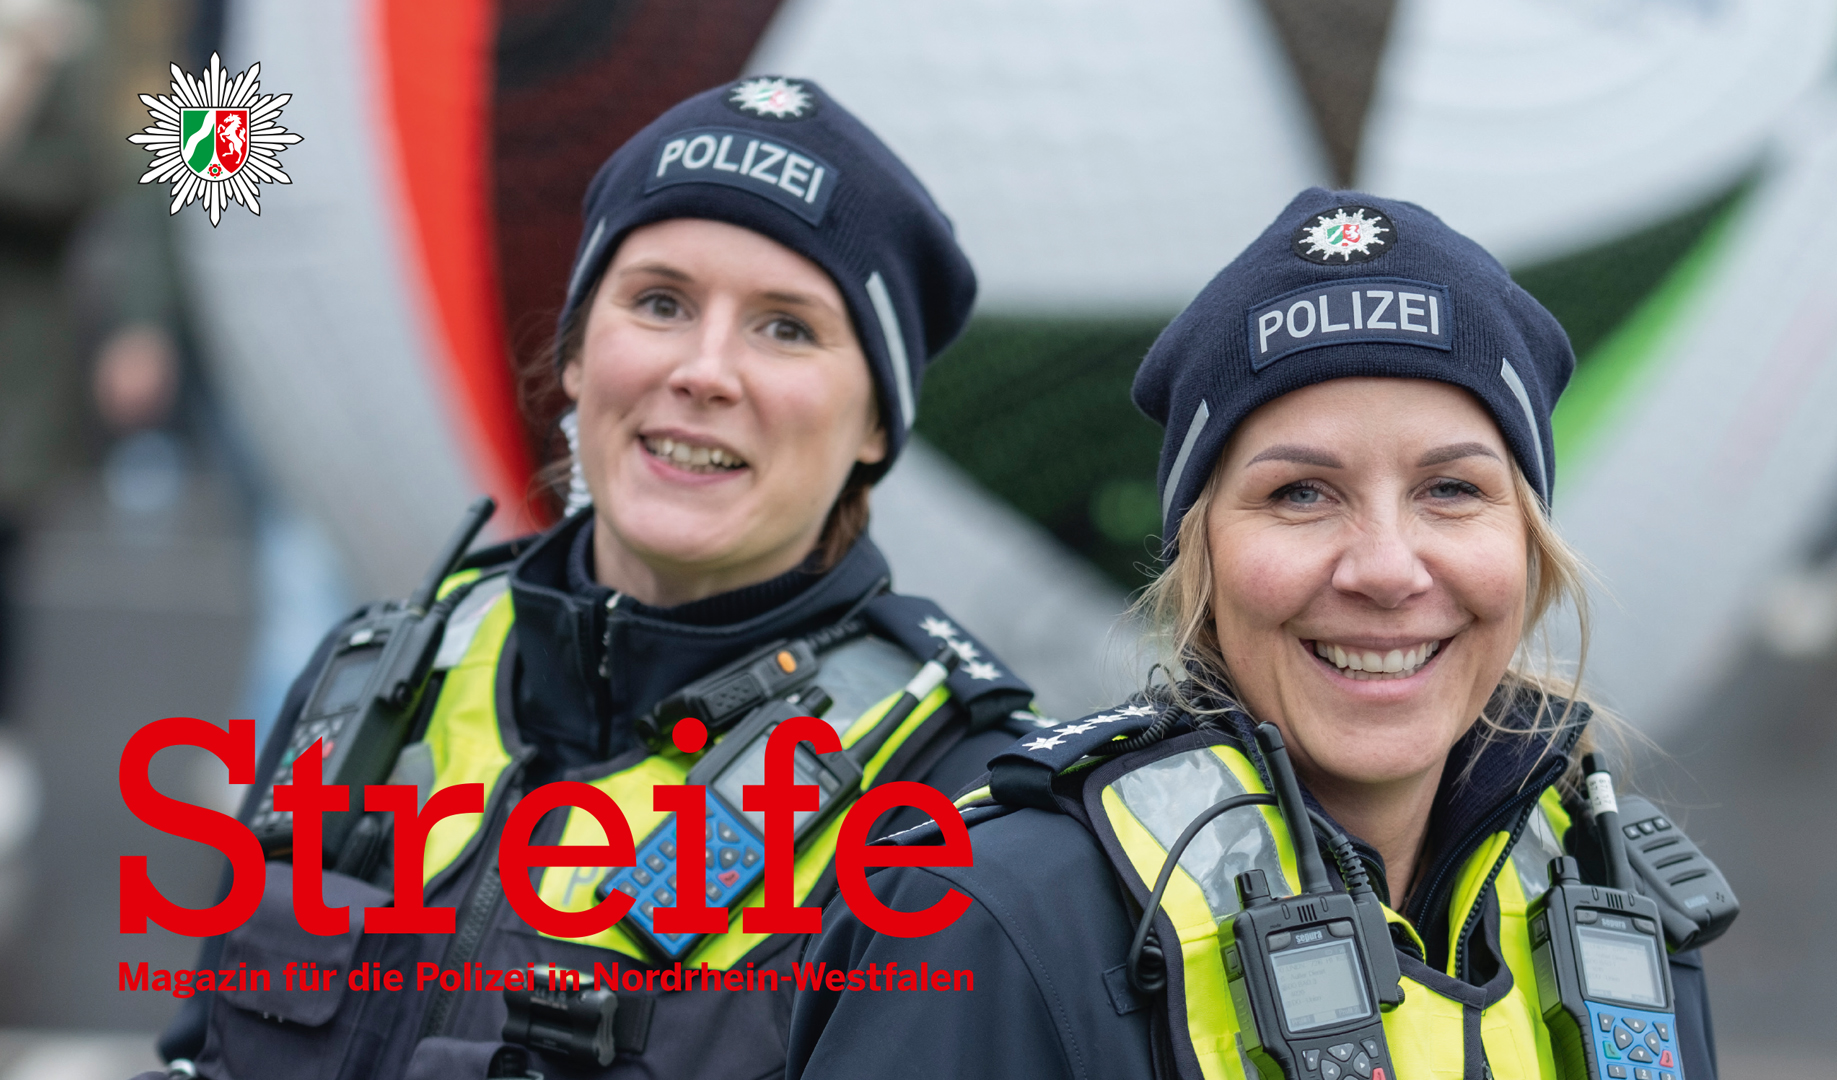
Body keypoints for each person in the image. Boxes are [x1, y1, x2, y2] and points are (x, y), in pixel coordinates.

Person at [143, 77, 1040, 1080]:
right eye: (660, 301)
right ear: (576, 352)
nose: (705, 370)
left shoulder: (951, 805)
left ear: (877, 423)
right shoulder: (370, 679)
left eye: (786, 326)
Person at [787, 190, 1725, 1080]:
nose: (1387, 568)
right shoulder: (993, 913)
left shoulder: (1614, 908)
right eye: (1300, 493)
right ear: (1202, 558)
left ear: (1527, 545)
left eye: (1452, 489)